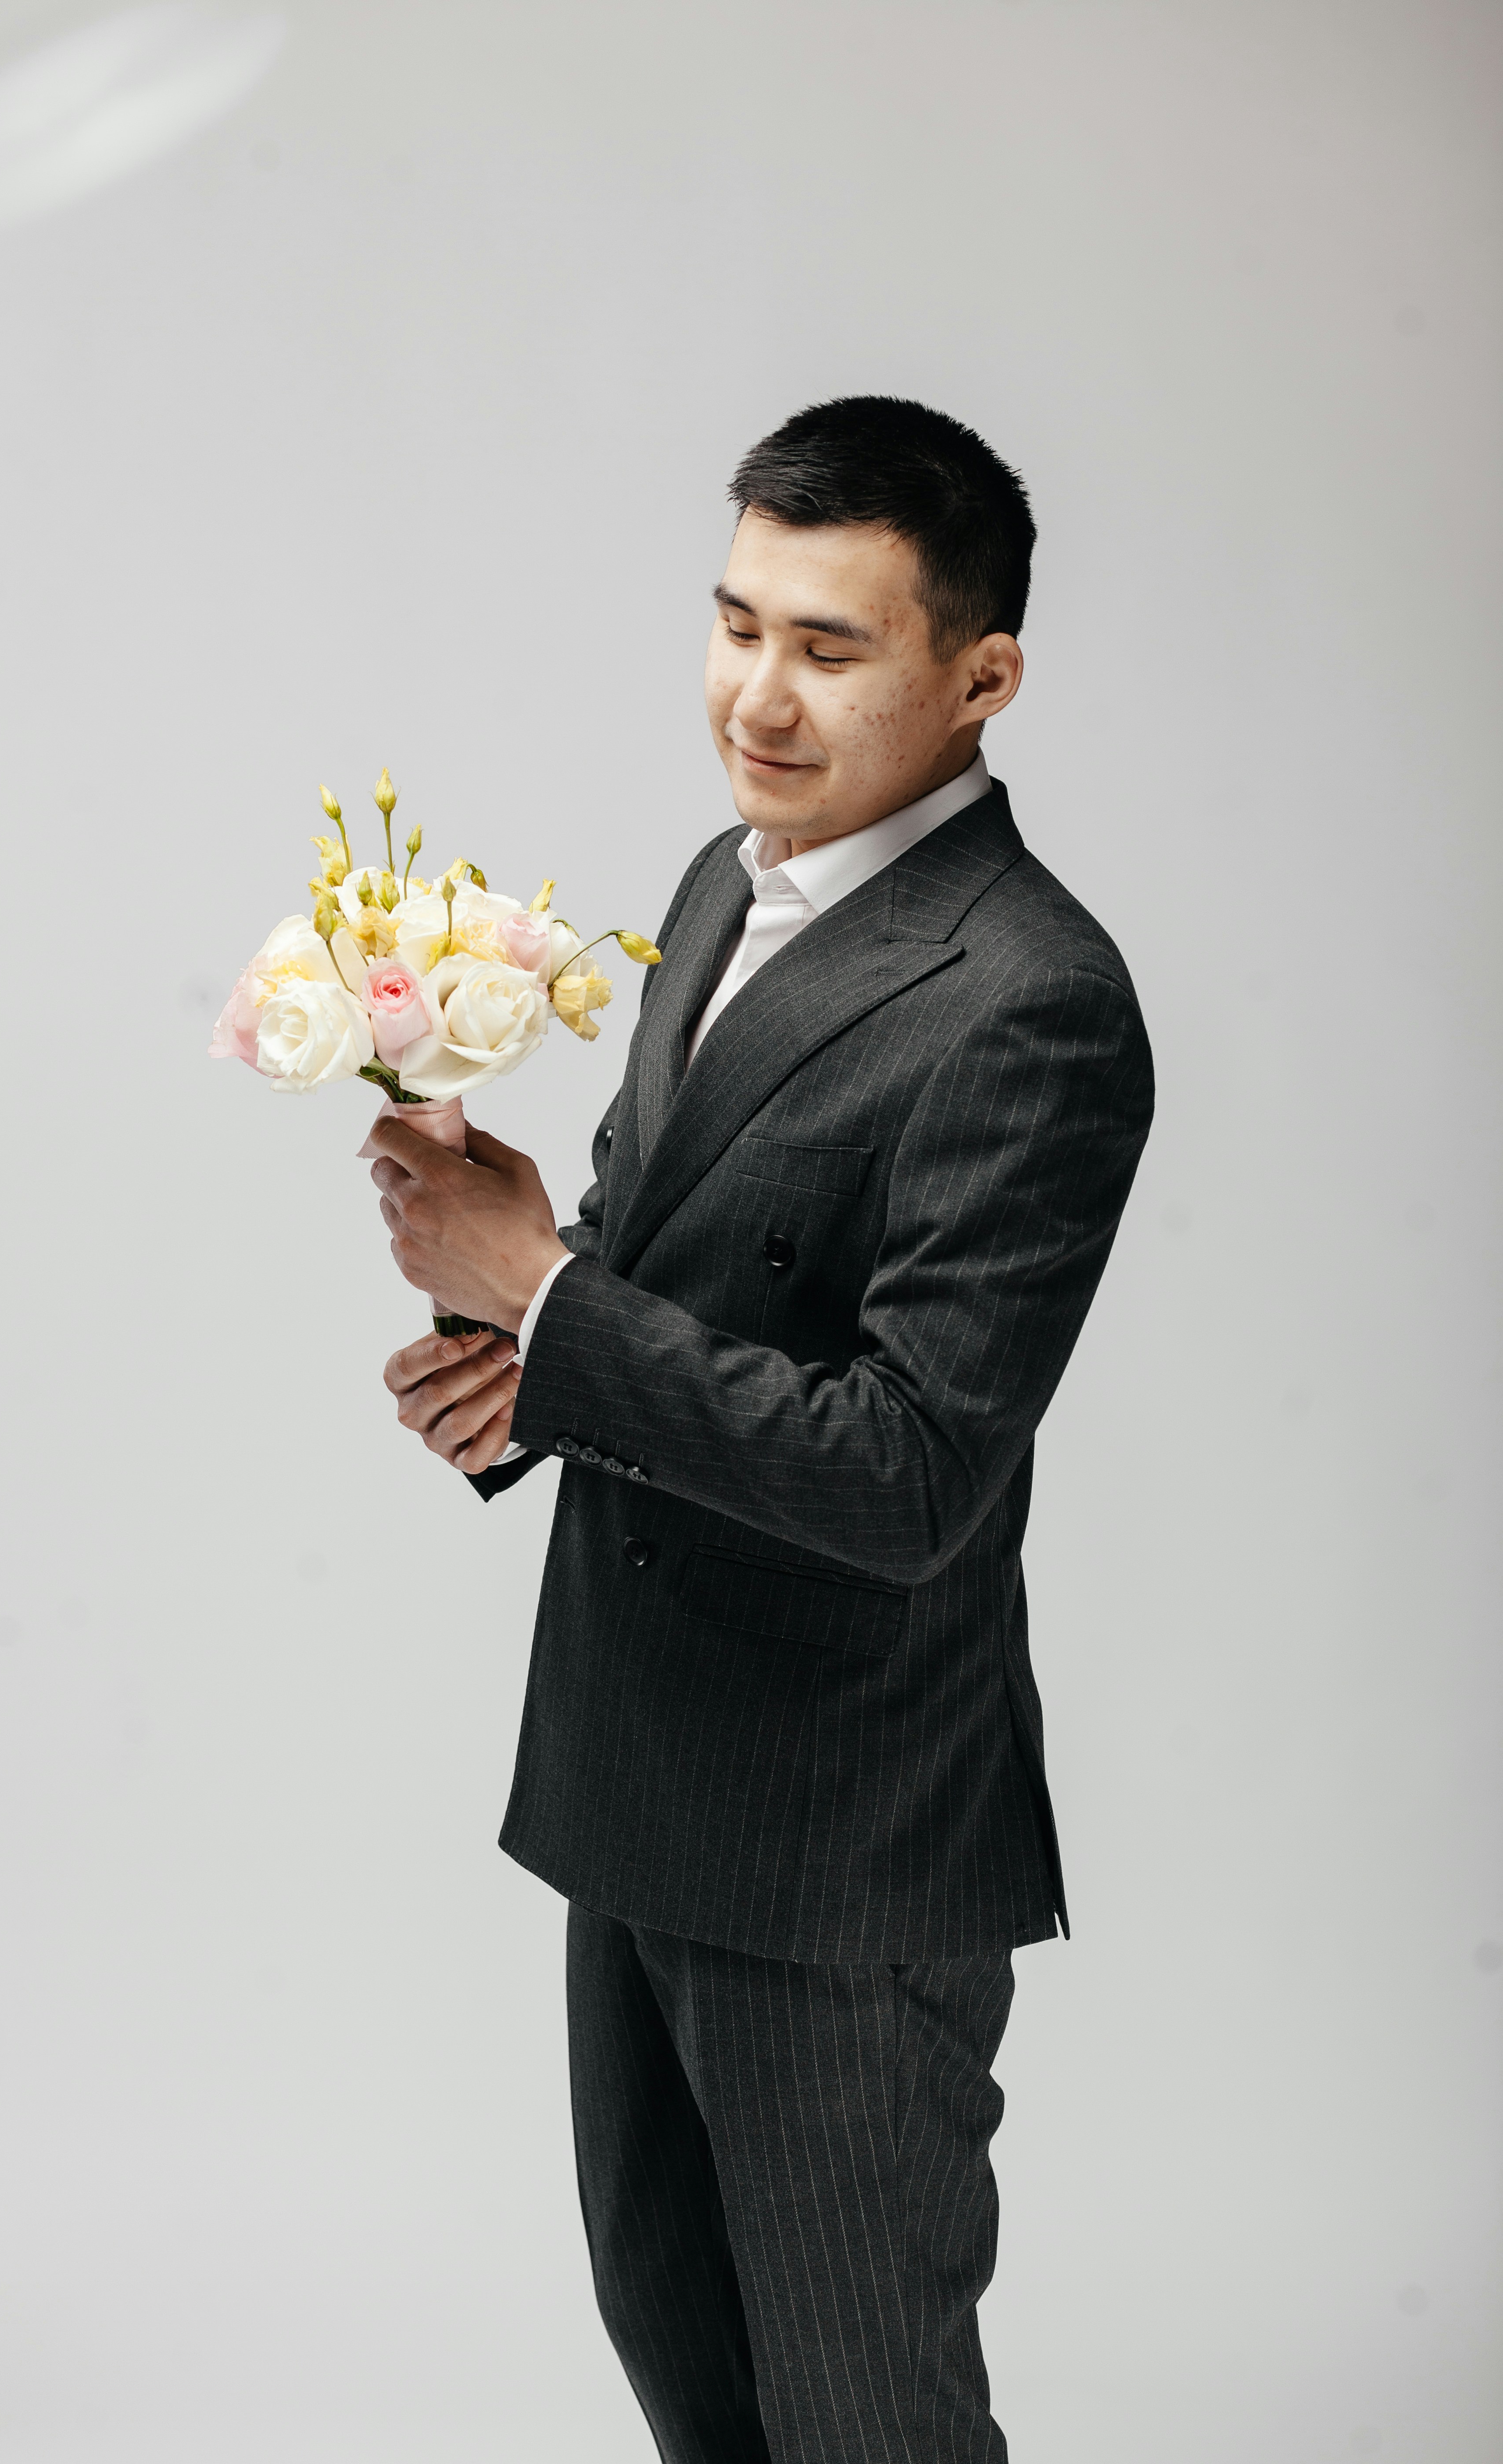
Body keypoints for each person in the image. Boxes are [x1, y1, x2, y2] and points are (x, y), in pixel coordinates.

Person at [368, 396, 1154, 2463]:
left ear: (983, 676)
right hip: (635, 1777)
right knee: (693, 2388)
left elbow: (909, 1473)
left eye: (830, 646)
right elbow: (670, 1256)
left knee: (866, 2420)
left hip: (842, 1843)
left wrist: (553, 1302)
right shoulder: (722, 893)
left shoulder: (1032, 997)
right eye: (735, 626)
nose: (759, 697)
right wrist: (516, 1351)